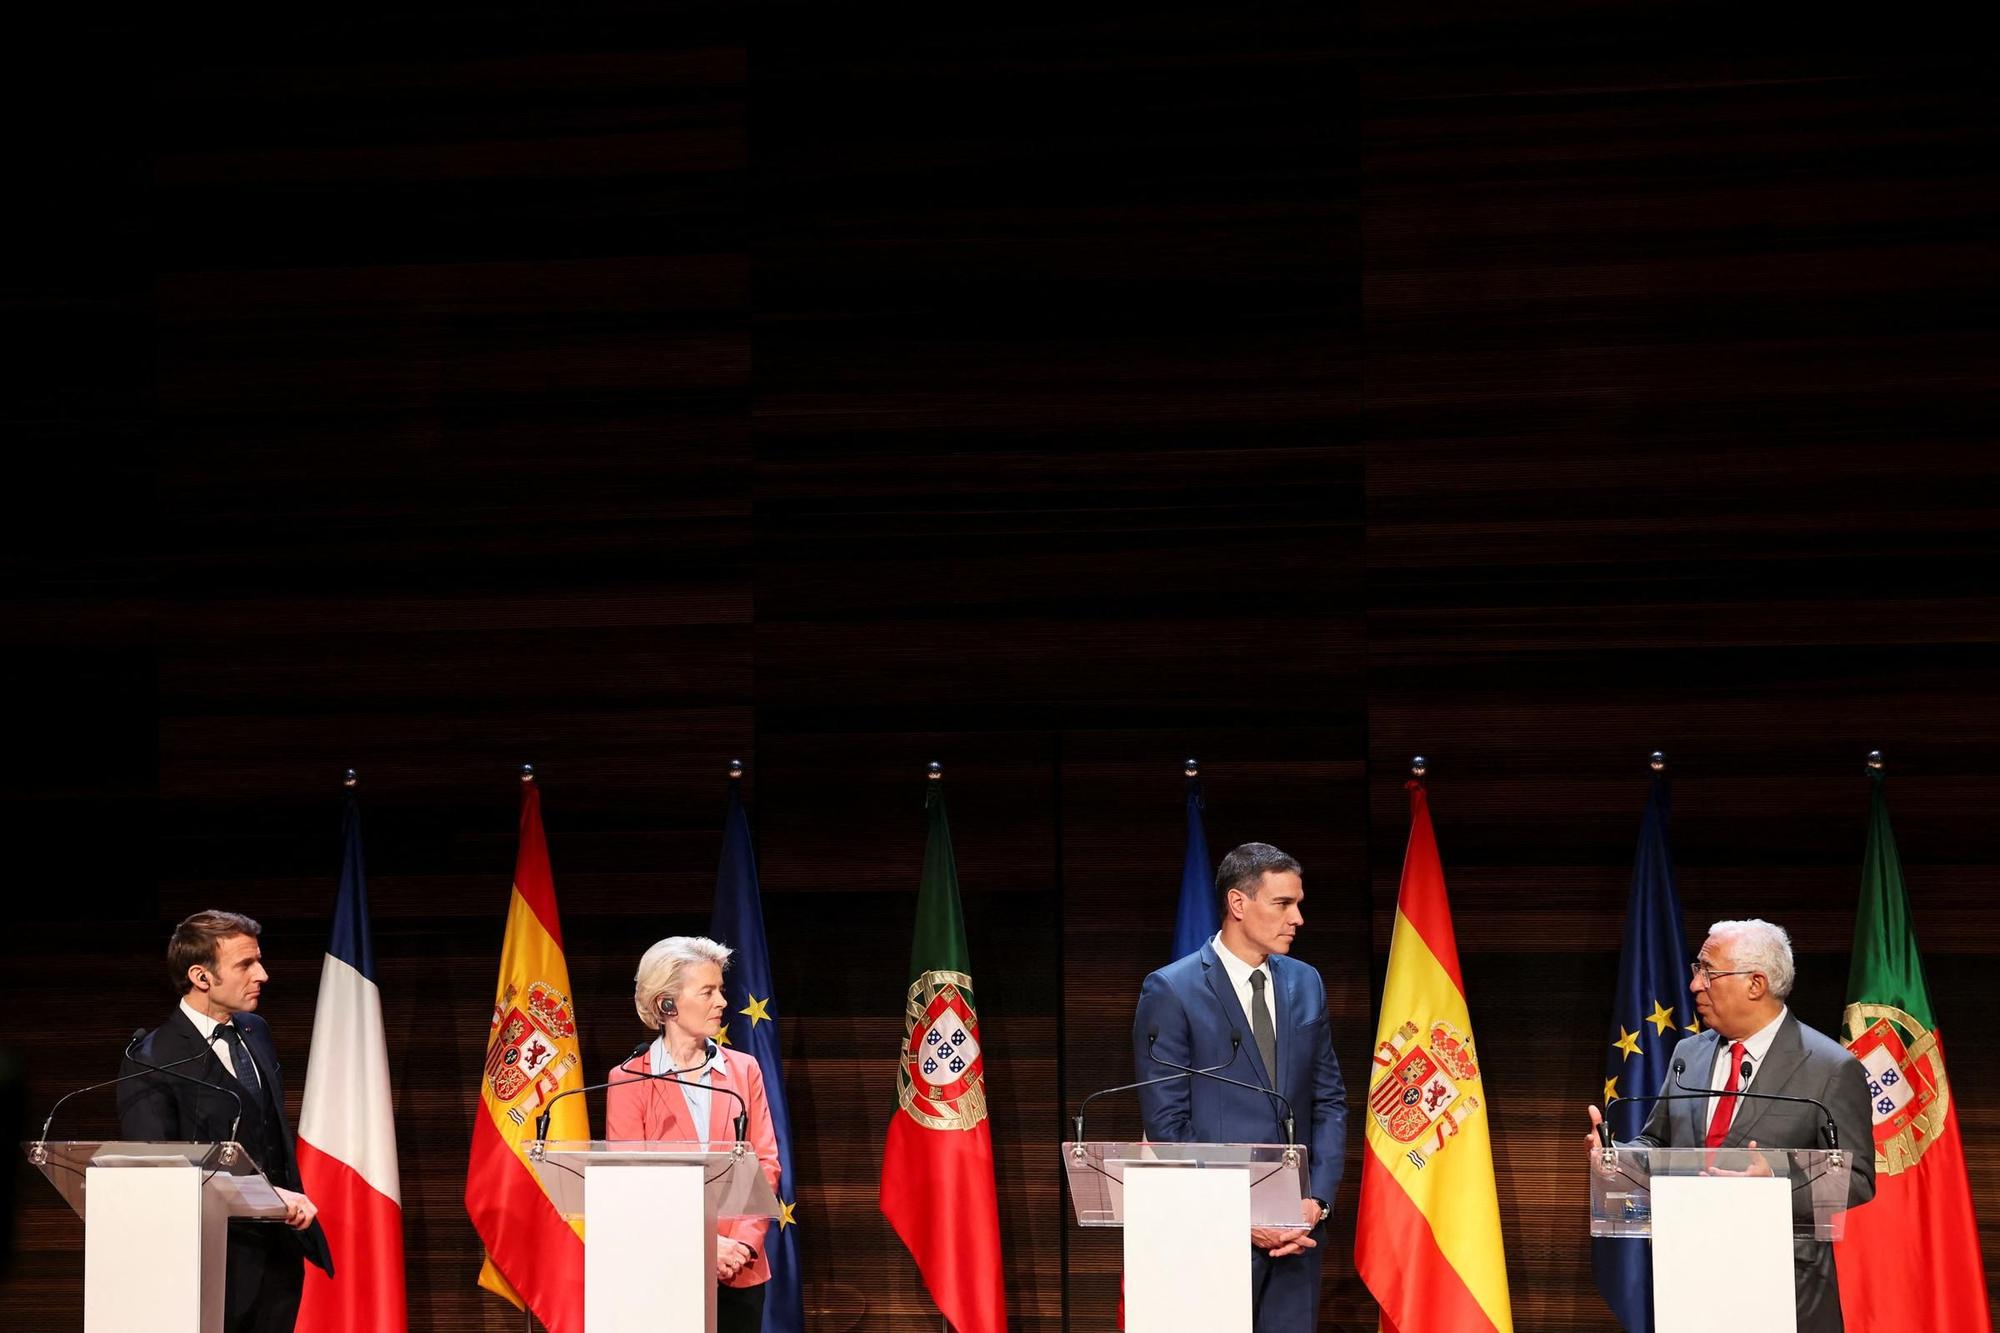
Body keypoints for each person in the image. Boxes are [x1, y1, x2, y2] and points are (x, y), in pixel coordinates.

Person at [1585, 918, 1874, 1333]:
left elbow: (1859, 1178)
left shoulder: (1830, 1067)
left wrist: (1774, 1184)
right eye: (1696, 970)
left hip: (1784, 1289)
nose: (1695, 986)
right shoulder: (1690, 1053)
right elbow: (1659, 1141)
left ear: (1756, 984)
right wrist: (1619, 1159)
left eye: (1708, 972)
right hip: (1690, 1279)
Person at [1132, 842, 1347, 1333]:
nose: (1297, 918)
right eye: (1283, 903)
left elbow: (1330, 1100)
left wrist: (1315, 1203)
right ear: (1238, 904)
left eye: (1298, 903)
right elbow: (1167, 1126)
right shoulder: (1172, 989)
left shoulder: (1306, 982)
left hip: (1298, 1234)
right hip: (1211, 1237)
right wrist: (1242, 1214)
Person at [118, 910, 332, 1333]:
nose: (263, 975)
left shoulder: (255, 1031)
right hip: (209, 1262)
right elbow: (159, 1173)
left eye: (259, 960)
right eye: (245, 964)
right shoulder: (150, 1059)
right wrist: (267, 1195)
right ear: (201, 977)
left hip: (279, 1256)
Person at [606, 936, 782, 1333]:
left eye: (720, 990)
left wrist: (740, 1245)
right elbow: (633, 1182)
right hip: (665, 1271)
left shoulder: (743, 1070)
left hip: (740, 1268)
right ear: (666, 1004)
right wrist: (705, 1247)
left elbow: (765, 1164)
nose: (721, 1002)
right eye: (708, 991)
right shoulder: (628, 1080)